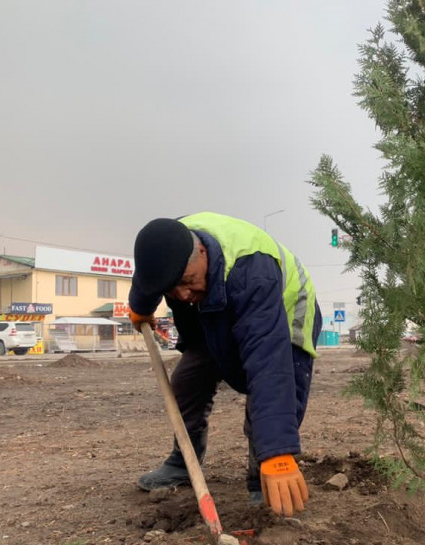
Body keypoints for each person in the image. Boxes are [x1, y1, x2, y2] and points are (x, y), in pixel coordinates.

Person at [128, 212, 322, 516]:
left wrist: (278, 451)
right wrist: (140, 308)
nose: (182, 294)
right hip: (215, 307)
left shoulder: (252, 271)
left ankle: (263, 474)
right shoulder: (166, 247)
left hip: (284, 313)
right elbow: (146, 281)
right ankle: (183, 462)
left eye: (187, 281)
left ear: (201, 252)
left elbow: (268, 366)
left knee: (264, 396)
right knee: (187, 384)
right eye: (171, 289)